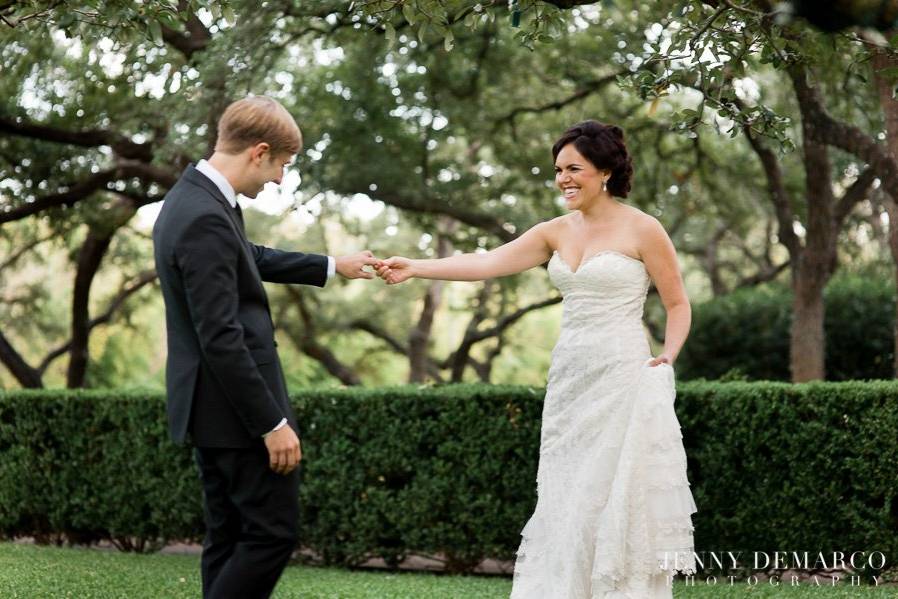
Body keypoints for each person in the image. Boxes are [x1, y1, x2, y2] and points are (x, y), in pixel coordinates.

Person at [376, 120, 697, 598]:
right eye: (558, 170)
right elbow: (486, 263)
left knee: (612, 493)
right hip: (570, 378)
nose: (563, 178)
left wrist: (667, 358)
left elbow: (677, 304)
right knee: (566, 494)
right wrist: (416, 267)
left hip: (623, 375)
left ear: (605, 171)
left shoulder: (643, 228)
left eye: (574, 168)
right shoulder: (553, 232)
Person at [152, 95, 378, 599]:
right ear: (259, 152)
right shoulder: (204, 215)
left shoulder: (194, 200)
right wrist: (270, 422)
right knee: (272, 534)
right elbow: (221, 335)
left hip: (211, 410)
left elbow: (246, 257)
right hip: (235, 415)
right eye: (281, 165)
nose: (278, 179)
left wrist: (329, 265)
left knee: (228, 536)